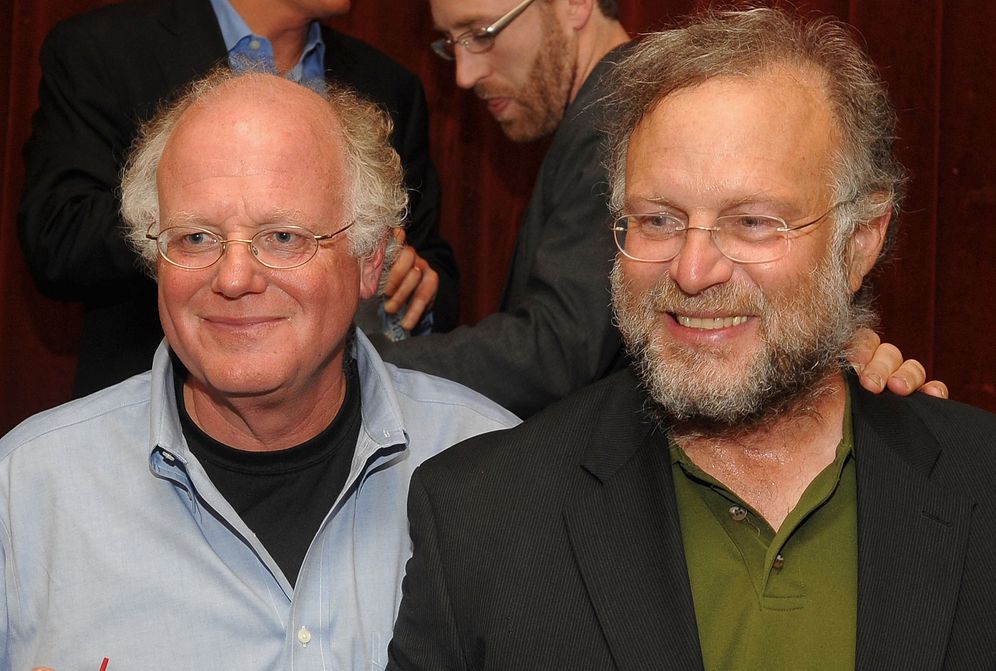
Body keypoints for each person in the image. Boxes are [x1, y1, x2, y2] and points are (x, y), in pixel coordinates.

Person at [388, 8, 996, 669]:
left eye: (754, 222)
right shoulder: (479, 519)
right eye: (657, 219)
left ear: (858, 242)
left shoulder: (978, 490)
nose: (692, 270)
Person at [1, 70, 516, 670]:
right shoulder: (27, 493)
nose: (236, 278)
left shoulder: (499, 472)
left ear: (370, 261)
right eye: (196, 237)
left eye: (282, 236)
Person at [377, 0, 942, 417]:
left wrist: (355, 364)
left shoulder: (622, 113)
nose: (465, 73)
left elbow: (554, 350)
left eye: (482, 33)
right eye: (657, 221)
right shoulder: (598, 115)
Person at [18, 0, 457, 398]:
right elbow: (59, 235)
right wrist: (197, 223)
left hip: (352, 415)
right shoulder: (106, 48)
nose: (237, 278)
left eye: (282, 235)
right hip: (148, 413)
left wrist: (406, 273)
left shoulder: (388, 81)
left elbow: (428, 252)